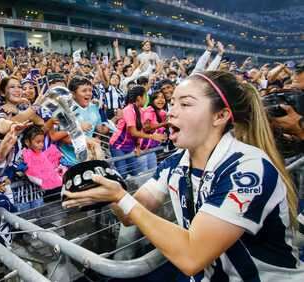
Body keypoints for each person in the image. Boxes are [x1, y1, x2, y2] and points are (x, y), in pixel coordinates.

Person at [64, 71, 303, 281]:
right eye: (172, 103)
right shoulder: (174, 163)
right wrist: (106, 183)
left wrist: (120, 196)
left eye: (185, 104)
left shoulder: (248, 168)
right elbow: (131, 214)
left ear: (220, 116)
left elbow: (191, 256)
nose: (170, 113)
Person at [109, 86, 166, 178]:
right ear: (139, 98)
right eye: (145, 96)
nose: (147, 99)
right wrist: (153, 137)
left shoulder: (141, 111)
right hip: (118, 145)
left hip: (130, 146)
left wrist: (138, 146)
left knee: (135, 171)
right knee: (122, 172)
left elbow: (140, 130)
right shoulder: (128, 109)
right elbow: (133, 132)